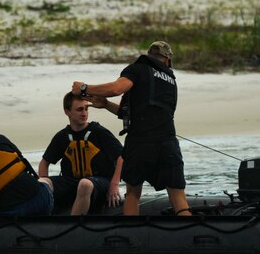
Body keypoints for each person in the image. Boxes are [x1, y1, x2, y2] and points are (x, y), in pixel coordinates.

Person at [72, 41, 191, 216]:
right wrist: (105, 104)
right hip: (168, 142)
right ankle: (191, 237)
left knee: (133, 194)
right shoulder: (171, 81)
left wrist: (84, 88)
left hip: (140, 143)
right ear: (167, 60)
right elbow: (139, 111)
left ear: (149, 56)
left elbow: (116, 89)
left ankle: (131, 239)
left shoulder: (138, 69)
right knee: (179, 199)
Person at [38, 92, 124, 215]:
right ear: (67, 112)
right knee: (42, 182)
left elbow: (121, 157)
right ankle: (43, 221)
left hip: (99, 183)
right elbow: (44, 163)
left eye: (86, 109)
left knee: (84, 184)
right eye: (79, 110)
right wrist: (46, 187)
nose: (84, 113)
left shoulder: (99, 132)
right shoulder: (62, 136)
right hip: (72, 183)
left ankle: (73, 229)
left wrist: (114, 185)